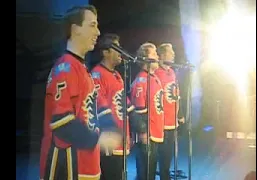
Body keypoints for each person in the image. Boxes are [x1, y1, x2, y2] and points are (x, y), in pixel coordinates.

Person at [39, 6, 121, 180]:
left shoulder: (82, 68)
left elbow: (96, 106)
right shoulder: (65, 68)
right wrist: (99, 139)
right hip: (68, 165)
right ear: (75, 30)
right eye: (92, 25)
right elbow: (61, 122)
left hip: (87, 162)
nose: (98, 32)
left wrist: (110, 127)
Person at [90, 33, 142, 180]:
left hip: (121, 140)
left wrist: (134, 122)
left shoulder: (117, 75)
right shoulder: (97, 75)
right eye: (116, 48)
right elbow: (100, 105)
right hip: (109, 142)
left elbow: (123, 100)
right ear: (106, 52)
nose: (121, 52)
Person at [130, 42, 165, 180]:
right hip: (147, 135)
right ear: (145, 58)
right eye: (154, 53)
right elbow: (138, 110)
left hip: (155, 131)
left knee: (151, 172)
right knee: (145, 173)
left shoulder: (153, 77)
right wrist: (143, 131)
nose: (157, 56)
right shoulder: (141, 80)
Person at [155, 43, 185, 180]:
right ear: (161, 55)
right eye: (170, 52)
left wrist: (179, 114)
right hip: (161, 123)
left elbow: (175, 94)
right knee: (158, 157)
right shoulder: (156, 73)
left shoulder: (172, 72)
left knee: (167, 158)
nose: (173, 54)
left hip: (173, 122)